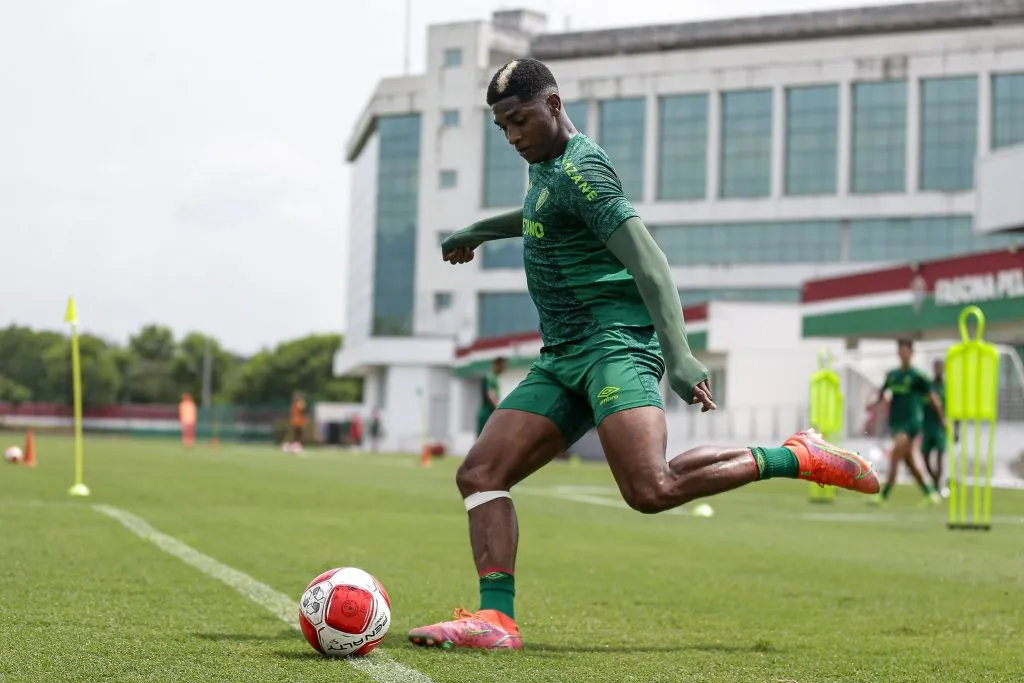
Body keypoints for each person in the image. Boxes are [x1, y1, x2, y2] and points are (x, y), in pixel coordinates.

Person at [407, 58, 880, 652]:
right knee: (480, 473)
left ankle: (796, 456)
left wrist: (679, 356)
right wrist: (478, 230)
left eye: (520, 120)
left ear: (553, 105)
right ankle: (495, 620)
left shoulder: (584, 171)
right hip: (563, 355)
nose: (513, 136)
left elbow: (650, 263)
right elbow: (541, 215)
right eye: (502, 127)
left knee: (650, 489)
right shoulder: (545, 166)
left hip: (616, 346)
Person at [868, 340, 945, 506]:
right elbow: (881, 393)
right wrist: (872, 404)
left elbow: (933, 398)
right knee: (909, 462)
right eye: (901, 351)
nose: (903, 354)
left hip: (911, 423)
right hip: (896, 423)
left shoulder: (918, 377)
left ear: (911, 353)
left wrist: (942, 419)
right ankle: (930, 493)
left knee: (895, 455)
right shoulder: (893, 375)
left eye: (906, 351)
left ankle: (883, 495)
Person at [921, 358, 955, 496]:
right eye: (936, 368)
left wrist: (956, 428)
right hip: (927, 425)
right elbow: (922, 403)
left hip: (941, 427)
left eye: (940, 368)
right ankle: (935, 480)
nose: (938, 371)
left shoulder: (947, 387)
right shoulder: (928, 386)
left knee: (940, 455)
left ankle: (937, 484)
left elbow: (954, 408)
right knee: (925, 456)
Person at [477, 357, 507, 436]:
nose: (504, 368)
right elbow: (490, 394)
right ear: (496, 365)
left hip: (490, 413)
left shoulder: (495, 378)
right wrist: (498, 409)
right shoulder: (490, 377)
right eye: (503, 366)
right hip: (487, 413)